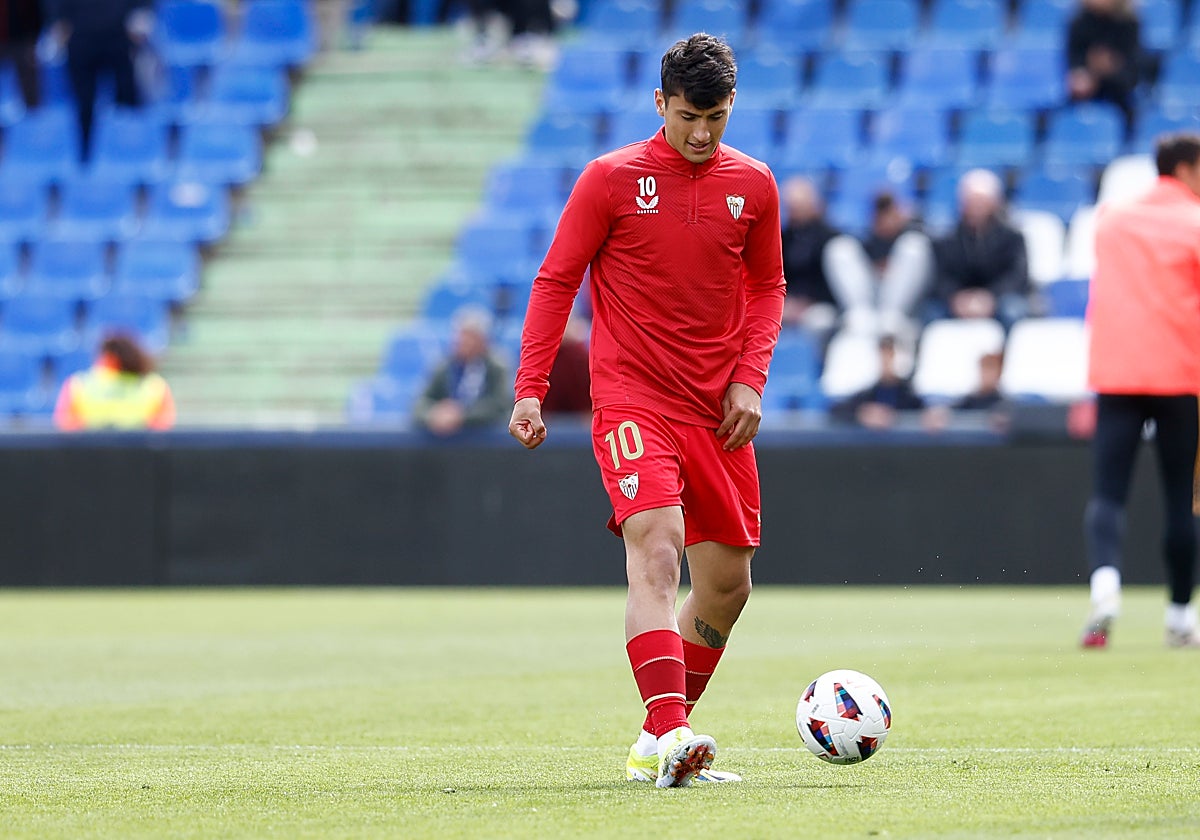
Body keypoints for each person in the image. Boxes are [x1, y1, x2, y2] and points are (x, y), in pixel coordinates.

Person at [508, 33, 786, 787]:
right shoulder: (610, 179)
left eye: (717, 119)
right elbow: (556, 279)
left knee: (727, 585)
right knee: (658, 550)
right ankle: (672, 733)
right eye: (689, 116)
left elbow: (767, 289)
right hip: (634, 398)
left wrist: (750, 377)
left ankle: (653, 744)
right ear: (659, 102)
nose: (702, 134)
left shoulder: (754, 186)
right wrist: (530, 386)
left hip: (718, 409)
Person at [1079, 132, 1200, 650]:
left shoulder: (1113, 219)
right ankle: (1178, 614)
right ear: (1189, 169)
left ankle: (1105, 587)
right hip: (1180, 376)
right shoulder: (1195, 220)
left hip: (1118, 372)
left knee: (1109, 491)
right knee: (1181, 499)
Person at [42, 0, 154, 161]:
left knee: (127, 99)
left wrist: (140, 15)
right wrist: (57, 19)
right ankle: (85, 158)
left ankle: (129, 152)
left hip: (119, 34)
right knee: (84, 105)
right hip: (79, 37)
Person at [929, 168, 1031, 331]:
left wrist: (990, 298)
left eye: (981, 201)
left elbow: (1017, 276)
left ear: (995, 202)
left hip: (999, 298)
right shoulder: (947, 239)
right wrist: (957, 298)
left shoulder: (1012, 237)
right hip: (958, 300)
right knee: (930, 313)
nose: (976, 207)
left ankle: (1005, 355)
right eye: (971, 201)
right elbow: (939, 278)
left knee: (1013, 310)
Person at [829, 189, 934, 342]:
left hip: (904, 310)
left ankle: (892, 317)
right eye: (880, 213)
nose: (885, 218)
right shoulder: (868, 237)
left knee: (914, 245)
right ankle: (860, 316)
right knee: (840, 248)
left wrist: (909, 219)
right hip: (870, 300)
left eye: (889, 211)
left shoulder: (912, 230)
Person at [413, 304, 512, 436]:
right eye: (460, 336)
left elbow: (500, 405)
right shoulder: (444, 367)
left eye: (469, 337)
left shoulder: (497, 367)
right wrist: (434, 414)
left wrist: (461, 415)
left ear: (483, 341)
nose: (462, 342)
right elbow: (420, 403)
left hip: (487, 442)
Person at [53, 333, 176, 431]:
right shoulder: (155, 386)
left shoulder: (77, 385)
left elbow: (67, 429)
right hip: (138, 457)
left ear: (109, 357)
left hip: (91, 456)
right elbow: (161, 431)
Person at [778, 174, 841, 340]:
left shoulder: (829, 238)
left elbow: (831, 283)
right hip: (789, 304)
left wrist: (807, 304)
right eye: (791, 207)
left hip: (821, 304)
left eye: (799, 206)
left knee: (818, 321)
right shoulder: (782, 238)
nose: (795, 212)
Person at [1065, 0, 1141, 136]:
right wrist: (1083, 75)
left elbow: (1132, 73)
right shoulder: (1078, 23)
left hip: (1119, 93)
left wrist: (1109, 70)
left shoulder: (1129, 24)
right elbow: (1073, 62)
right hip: (1084, 92)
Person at [829, 334, 926, 430]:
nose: (886, 362)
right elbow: (836, 410)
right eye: (883, 355)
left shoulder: (909, 397)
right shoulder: (867, 396)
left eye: (891, 355)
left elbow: (922, 413)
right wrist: (862, 414)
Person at [1, 0, 43, 110]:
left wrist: (33, 36)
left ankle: (33, 112)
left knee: (27, 73)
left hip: (21, 38)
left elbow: (34, 10)